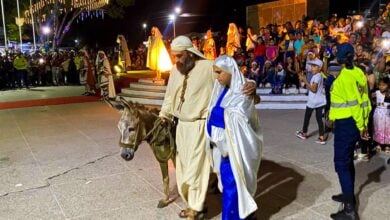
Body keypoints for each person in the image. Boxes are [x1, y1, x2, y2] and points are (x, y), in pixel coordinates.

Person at [159, 36, 256, 220]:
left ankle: (197, 208)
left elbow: (233, 76)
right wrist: (164, 115)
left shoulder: (207, 67)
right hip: (181, 127)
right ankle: (194, 204)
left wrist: (252, 84)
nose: (176, 60)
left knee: (196, 169)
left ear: (189, 53)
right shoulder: (174, 71)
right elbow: (169, 97)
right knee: (183, 169)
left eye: (179, 56)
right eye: (175, 56)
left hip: (199, 126)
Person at [206, 55, 262, 219]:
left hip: (237, 149)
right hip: (225, 149)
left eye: (219, 72)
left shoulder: (244, 90)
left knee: (233, 186)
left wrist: (216, 113)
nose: (217, 77)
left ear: (230, 71)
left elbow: (239, 117)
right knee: (230, 186)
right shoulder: (221, 88)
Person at [329, 43, 370, 220]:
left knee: (341, 163)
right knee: (347, 162)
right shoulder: (359, 72)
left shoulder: (344, 77)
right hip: (355, 123)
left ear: (340, 58)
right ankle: (348, 195)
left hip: (347, 124)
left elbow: (354, 105)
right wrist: (364, 124)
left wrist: (361, 126)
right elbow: (365, 101)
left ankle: (349, 210)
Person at [296, 58, 327, 144]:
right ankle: (321, 137)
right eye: (311, 66)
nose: (311, 68)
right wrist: (302, 80)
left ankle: (304, 133)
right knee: (319, 119)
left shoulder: (317, 76)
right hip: (320, 101)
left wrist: (305, 80)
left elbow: (313, 89)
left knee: (307, 117)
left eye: (314, 66)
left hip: (313, 101)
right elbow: (310, 87)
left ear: (319, 68)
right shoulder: (318, 75)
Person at [372, 77, 390, 153]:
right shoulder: (377, 93)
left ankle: (387, 145)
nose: (381, 87)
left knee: (387, 129)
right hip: (378, 114)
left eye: (384, 85)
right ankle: (378, 143)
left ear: (388, 85)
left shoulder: (389, 94)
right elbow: (371, 99)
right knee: (378, 127)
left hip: (387, 114)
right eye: (380, 85)